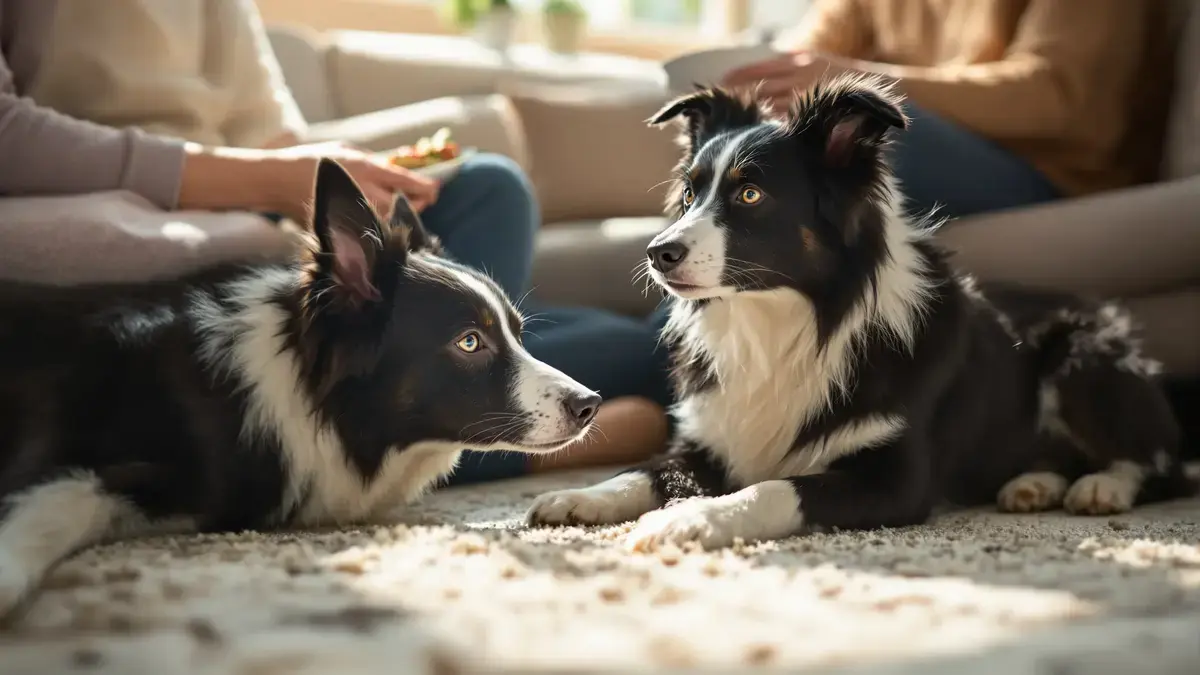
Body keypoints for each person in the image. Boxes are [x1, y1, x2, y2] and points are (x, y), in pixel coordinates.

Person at [1, 0, 671, 485]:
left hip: (265, 228)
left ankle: (477, 376)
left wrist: (339, 174)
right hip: (131, 225)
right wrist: (260, 182)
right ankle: (472, 451)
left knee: (495, 189)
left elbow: (275, 140)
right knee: (636, 362)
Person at [722, 0, 1174, 220]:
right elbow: (804, 61)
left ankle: (658, 365)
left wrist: (859, 82)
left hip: (1050, 178)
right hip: (924, 150)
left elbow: (1055, 99)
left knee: (863, 132)